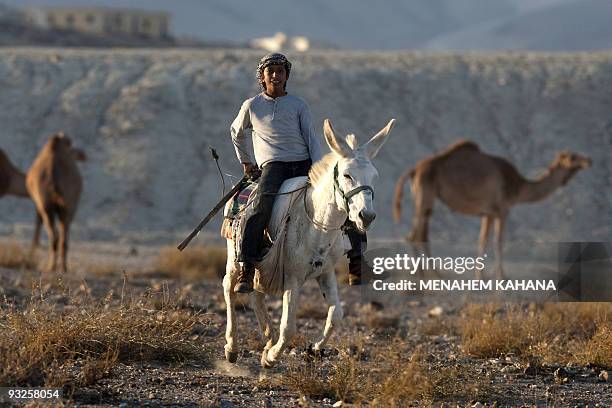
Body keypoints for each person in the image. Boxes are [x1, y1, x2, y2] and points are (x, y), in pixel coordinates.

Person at [230, 52, 366, 294]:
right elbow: (236, 133)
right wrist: (246, 162)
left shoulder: (298, 105)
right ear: (262, 76)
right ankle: (247, 268)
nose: (275, 75)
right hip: (274, 166)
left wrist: (316, 170)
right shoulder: (252, 106)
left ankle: (356, 260)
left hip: (303, 162)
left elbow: (311, 139)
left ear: (286, 76)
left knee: (342, 199)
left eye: (280, 71)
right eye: (270, 71)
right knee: (260, 206)